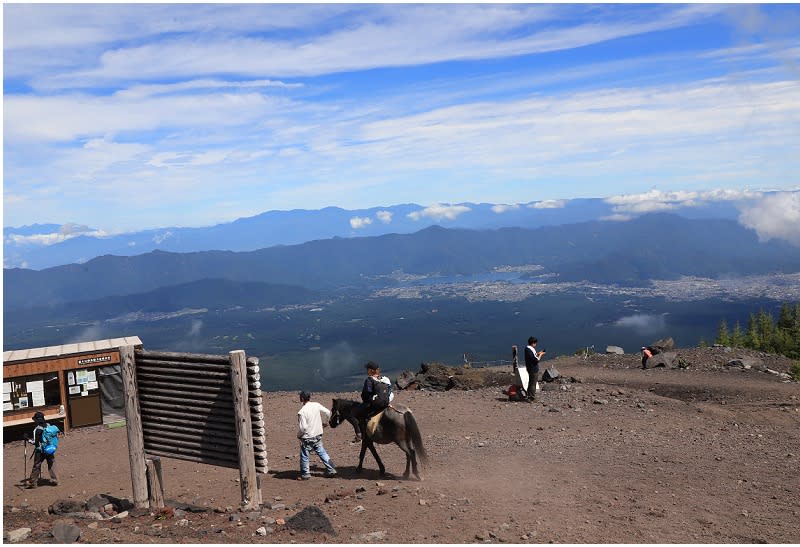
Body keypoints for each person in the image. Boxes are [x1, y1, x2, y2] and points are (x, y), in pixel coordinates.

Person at [296, 390, 337, 480]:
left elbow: (303, 428)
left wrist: (299, 435)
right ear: (309, 398)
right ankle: (331, 469)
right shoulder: (316, 405)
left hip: (307, 437)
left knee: (304, 455)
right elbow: (328, 412)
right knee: (321, 452)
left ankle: (305, 474)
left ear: (302, 399)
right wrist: (326, 423)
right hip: (318, 434)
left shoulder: (302, 412)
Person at [25, 411, 58, 488]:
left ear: (37, 420)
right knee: (51, 463)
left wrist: (27, 439)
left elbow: (35, 442)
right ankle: (55, 479)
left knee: (37, 465)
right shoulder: (48, 425)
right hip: (49, 448)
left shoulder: (37, 429)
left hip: (40, 451)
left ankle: (33, 483)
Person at [524, 336, 546, 401]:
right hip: (533, 368)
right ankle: (531, 397)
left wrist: (538, 353)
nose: (536, 345)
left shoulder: (527, 349)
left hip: (530, 368)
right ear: (533, 343)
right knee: (533, 383)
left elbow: (532, 356)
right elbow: (536, 360)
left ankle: (528, 395)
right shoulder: (530, 349)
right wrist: (541, 355)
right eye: (535, 343)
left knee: (530, 382)